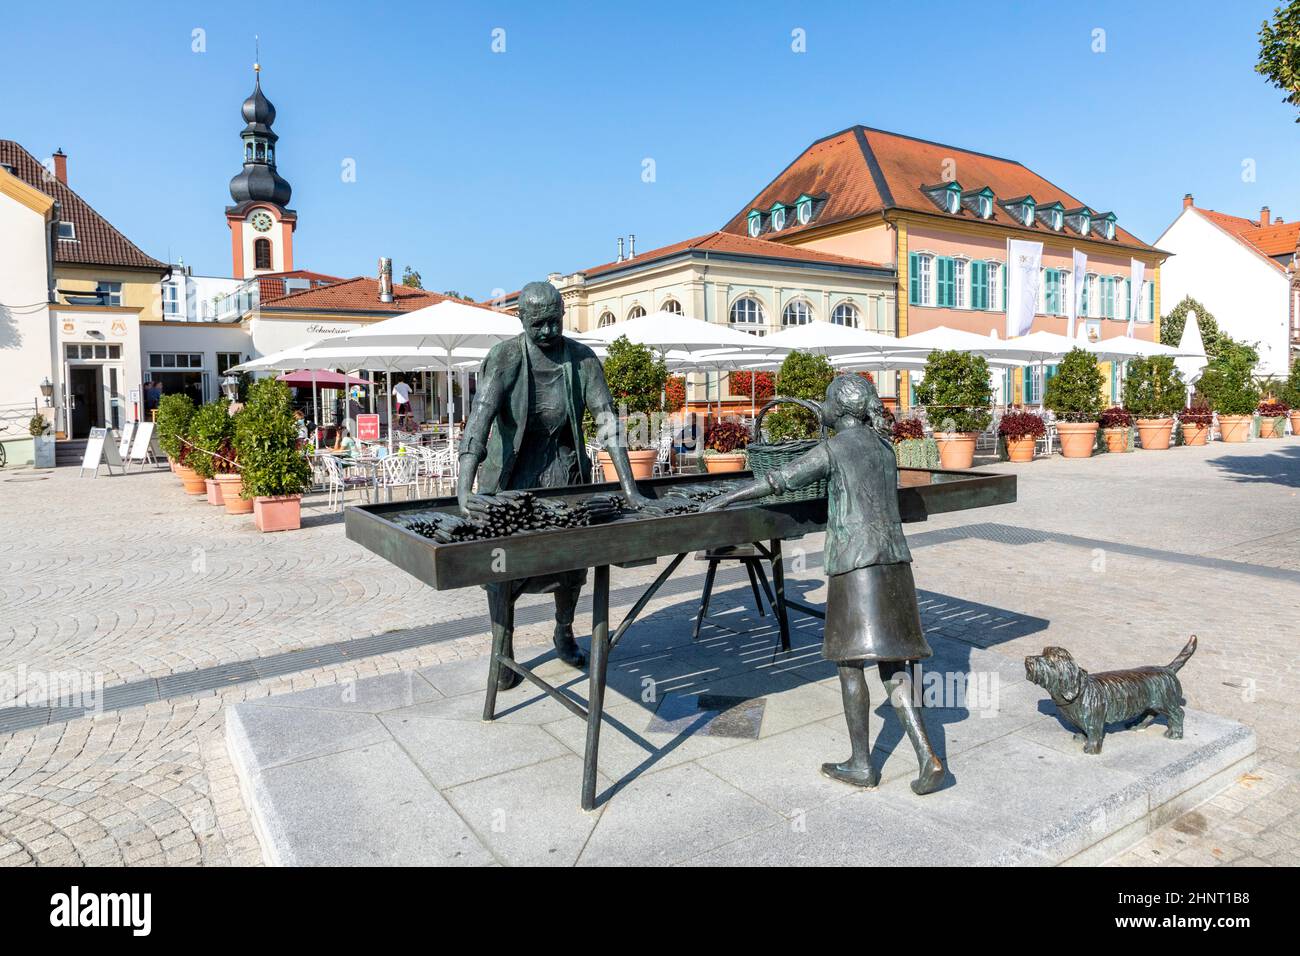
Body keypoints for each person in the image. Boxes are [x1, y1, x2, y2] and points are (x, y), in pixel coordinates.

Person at [702, 374, 945, 795]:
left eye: (827, 403)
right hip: (895, 562)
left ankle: (861, 763)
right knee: (895, 664)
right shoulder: (884, 448)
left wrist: (727, 498)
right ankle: (926, 755)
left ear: (839, 409)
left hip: (855, 564)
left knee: (849, 663)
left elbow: (781, 479)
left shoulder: (834, 448)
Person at [458, 280, 655, 689]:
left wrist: (629, 488)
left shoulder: (582, 359)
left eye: (554, 322)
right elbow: (479, 420)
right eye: (539, 324)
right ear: (522, 319)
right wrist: (463, 488)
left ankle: (563, 630)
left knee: (572, 564)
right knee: (504, 566)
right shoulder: (505, 358)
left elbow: (607, 422)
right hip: (512, 476)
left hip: (565, 474)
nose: (548, 331)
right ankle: (504, 649)